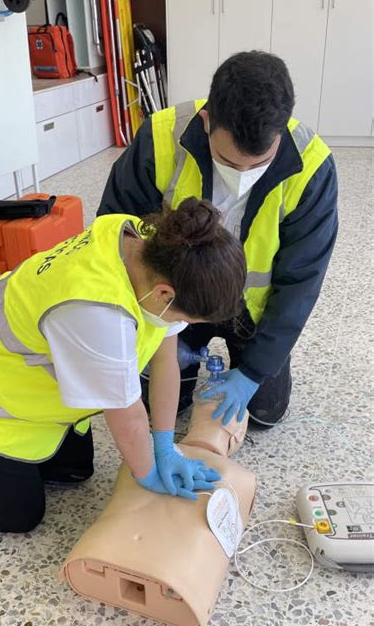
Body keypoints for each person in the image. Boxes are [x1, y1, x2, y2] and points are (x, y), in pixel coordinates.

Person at [0, 198, 246, 534]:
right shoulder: (95, 312)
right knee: (18, 517)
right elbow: (126, 414)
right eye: (186, 317)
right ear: (164, 294)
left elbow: (165, 358)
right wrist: (147, 475)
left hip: (27, 389)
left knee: (73, 472)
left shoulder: (154, 249)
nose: (183, 325)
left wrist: (166, 445)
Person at [98, 50, 339, 426]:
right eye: (228, 162)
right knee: (160, 406)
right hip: (176, 300)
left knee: (261, 415)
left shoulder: (312, 167)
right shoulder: (162, 137)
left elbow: (301, 282)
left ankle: (249, 364)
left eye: (258, 164)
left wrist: (254, 372)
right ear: (207, 121)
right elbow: (115, 236)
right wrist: (154, 328)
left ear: (282, 129)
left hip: (252, 312)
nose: (242, 174)